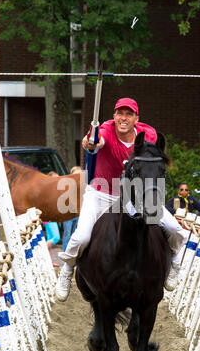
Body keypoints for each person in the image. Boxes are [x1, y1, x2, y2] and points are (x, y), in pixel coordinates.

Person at [57, 97, 188, 302]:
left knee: (174, 229)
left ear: (137, 118)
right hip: (101, 192)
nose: (123, 118)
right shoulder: (106, 130)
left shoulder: (149, 134)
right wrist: (90, 143)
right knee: (81, 236)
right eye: (120, 113)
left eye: (129, 114)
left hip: (134, 194)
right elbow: (94, 141)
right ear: (114, 116)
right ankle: (66, 270)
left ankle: (174, 262)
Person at [62, 166, 81, 251]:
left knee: (74, 236)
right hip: (67, 214)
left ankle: (71, 254)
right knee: (67, 235)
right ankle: (65, 254)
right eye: (75, 174)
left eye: (79, 174)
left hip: (77, 214)